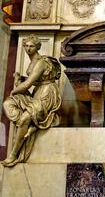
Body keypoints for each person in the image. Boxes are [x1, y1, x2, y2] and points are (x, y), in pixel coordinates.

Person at [2, 35, 61, 167]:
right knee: (8, 103)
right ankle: (31, 126)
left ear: (37, 47)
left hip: (47, 93)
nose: (28, 48)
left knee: (24, 118)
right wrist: (19, 79)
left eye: (32, 46)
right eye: (26, 46)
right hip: (37, 92)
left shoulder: (41, 62)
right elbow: (29, 82)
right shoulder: (32, 61)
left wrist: (14, 91)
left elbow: (28, 84)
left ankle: (13, 155)